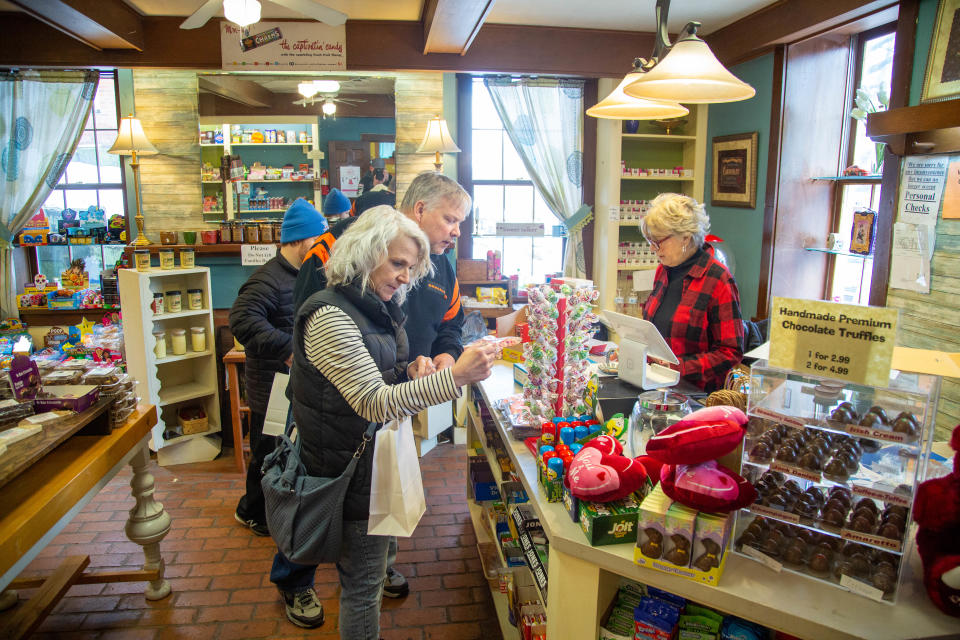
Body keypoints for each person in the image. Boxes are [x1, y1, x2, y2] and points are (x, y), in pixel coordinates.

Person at [273, 206, 496, 635]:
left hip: (361, 465)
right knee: (362, 588)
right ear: (364, 252)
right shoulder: (330, 316)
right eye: (397, 263)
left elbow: (375, 378)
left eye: (411, 267)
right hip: (345, 471)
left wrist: (408, 371)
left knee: (363, 581)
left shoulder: (374, 307)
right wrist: (456, 377)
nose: (405, 277)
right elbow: (374, 403)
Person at [229, 198, 328, 536]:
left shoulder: (306, 275)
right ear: (300, 241)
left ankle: (275, 509)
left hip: (291, 384)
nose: (321, 250)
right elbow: (241, 321)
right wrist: (288, 347)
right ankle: (253, 511)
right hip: (271, 387)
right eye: (316, 242)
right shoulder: (266, 279)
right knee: (266, 452)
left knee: (283, 450)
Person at [640, 192, 744, 392]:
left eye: (658, 241)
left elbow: (730, 352)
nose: (653, 249)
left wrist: (678, 367)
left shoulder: (718, 279)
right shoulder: (664, 271)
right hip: (658, 386)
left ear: (685, 237)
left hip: (696, 396)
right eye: (650, 241)